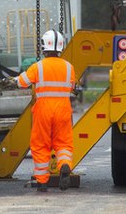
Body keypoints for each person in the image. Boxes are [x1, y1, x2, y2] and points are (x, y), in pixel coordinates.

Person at [14, 29, 76, 192]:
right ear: (61, 46)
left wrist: (14, 79)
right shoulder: (69, 67)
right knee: (63, 143)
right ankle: (64, 165)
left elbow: (22, 82)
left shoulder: (37, 67)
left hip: (43, 110)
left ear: (44, 47)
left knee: (40, 144)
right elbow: (72, 87)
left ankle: (42, 182)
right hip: (63, 110)